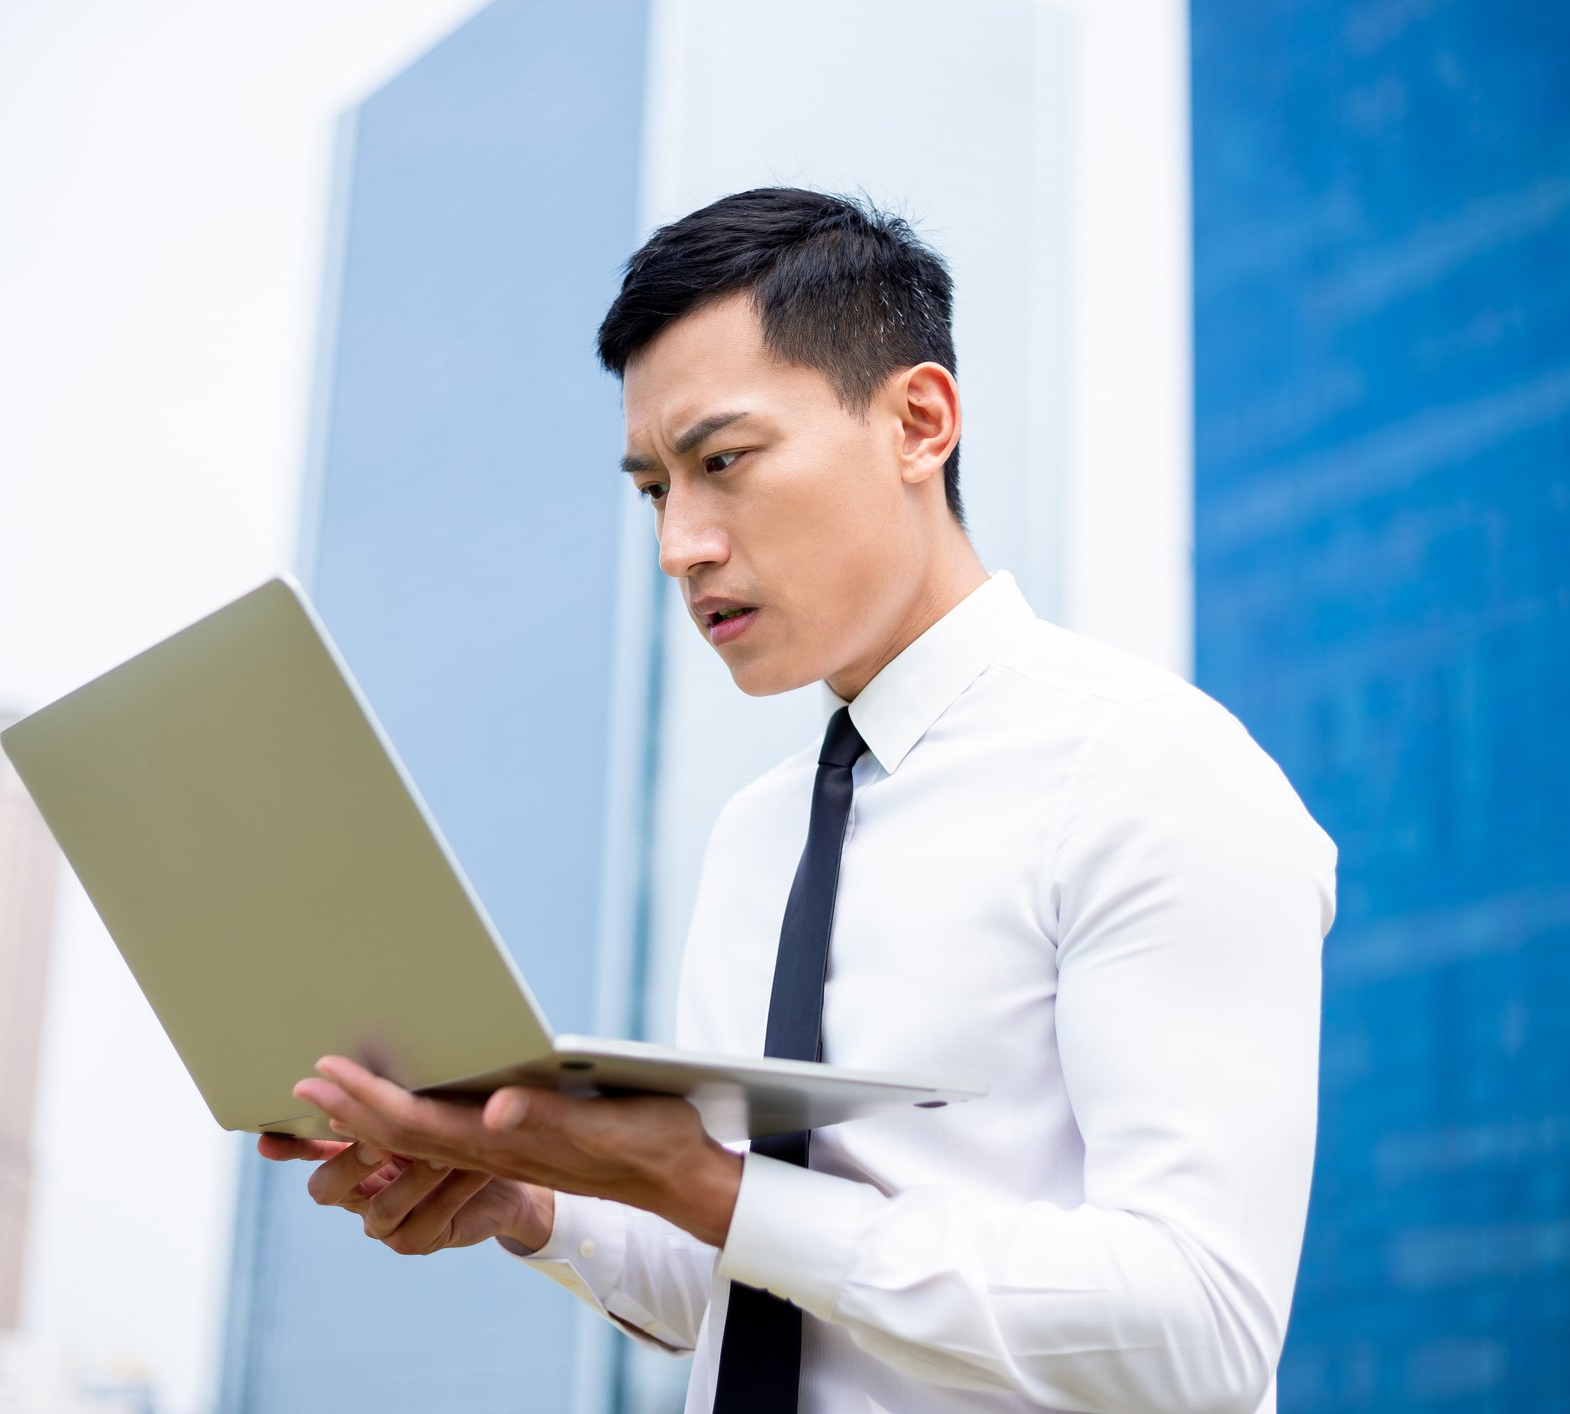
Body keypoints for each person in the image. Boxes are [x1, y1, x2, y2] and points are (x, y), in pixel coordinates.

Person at [258, 187, 1337, 1414]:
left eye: (722, 462)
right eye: (655, 489)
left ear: (918, 422)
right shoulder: (759, 832)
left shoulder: (1151, 771)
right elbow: (754, 1294)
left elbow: (1196, 1332)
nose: (682, 545)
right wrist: (535, 1197)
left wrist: (713, 1188)